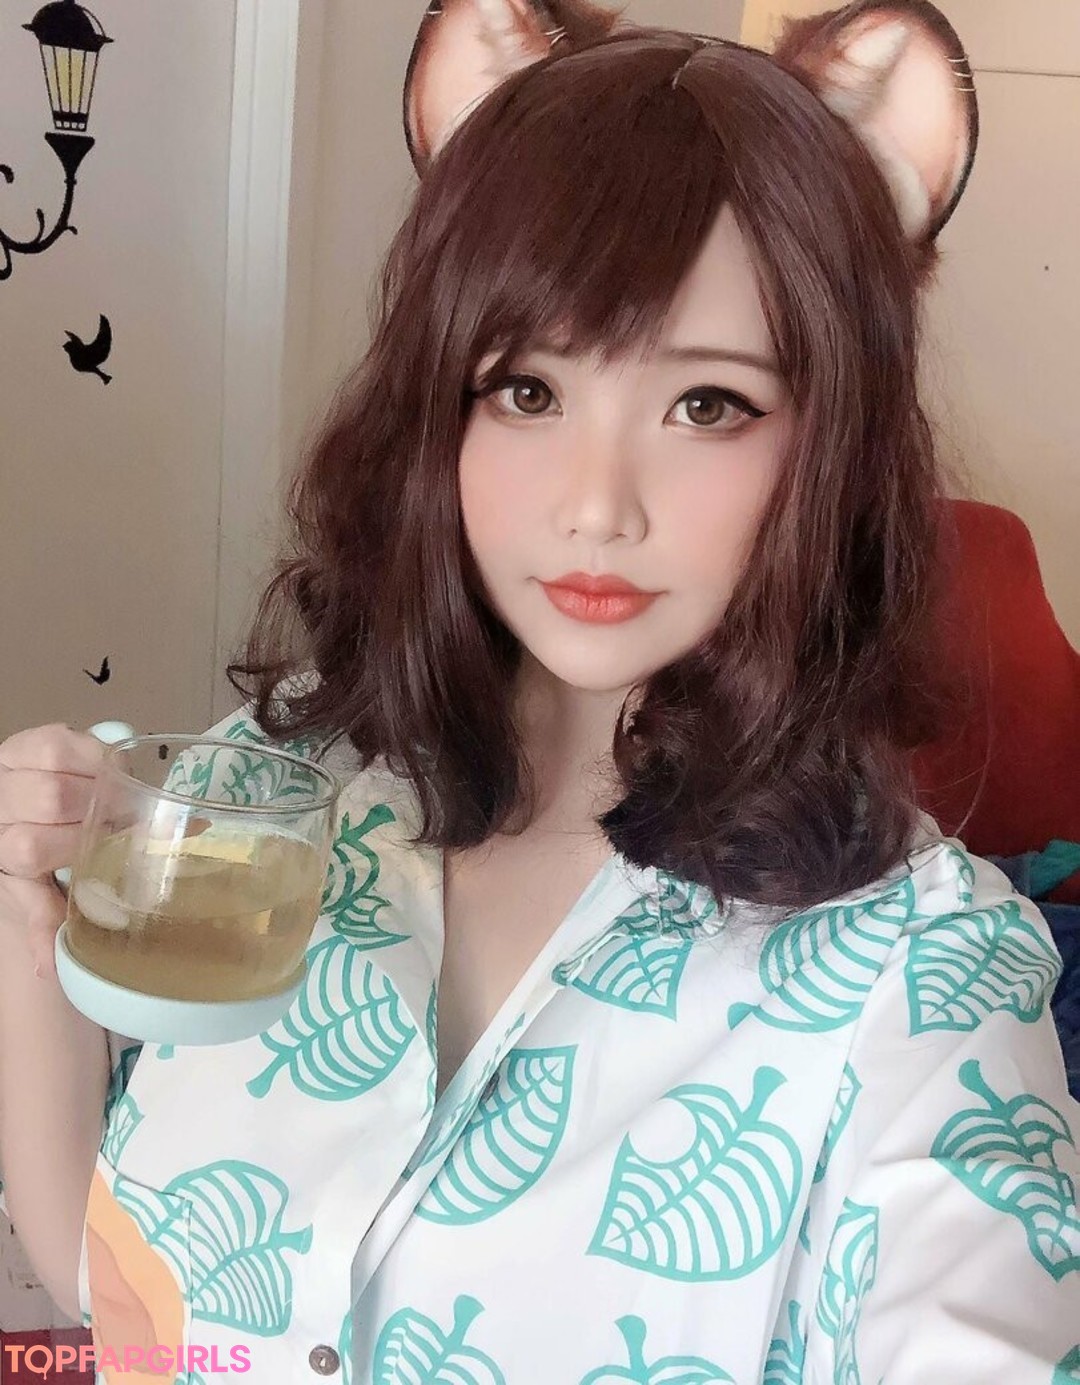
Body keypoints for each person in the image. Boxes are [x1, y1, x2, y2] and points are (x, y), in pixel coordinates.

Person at [1, 1, 1078, 1381]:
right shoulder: (270, 789)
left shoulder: (923, 975)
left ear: (832, 446)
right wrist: (30, 922)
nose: (595, 505)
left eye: (708, 405)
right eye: (526, 391)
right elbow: (122, 1297)